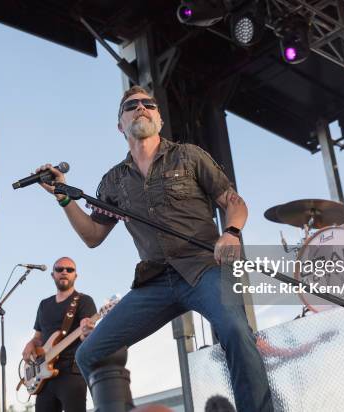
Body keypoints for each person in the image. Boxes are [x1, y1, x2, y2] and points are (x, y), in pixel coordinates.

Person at [35, 85, 272, 411]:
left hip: (203, 269)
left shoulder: (189, 156)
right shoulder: (113, 182)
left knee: (234, 328)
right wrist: (63, 197)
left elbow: (234, 203)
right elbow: (93, 235)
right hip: (156, 280)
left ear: (159, 118)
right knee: (90, 352)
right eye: (131, 105)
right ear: (121, 125)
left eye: (149, 104)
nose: (141, 108)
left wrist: (231, 231)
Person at [22, 257, 97, 412]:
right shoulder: (44, 304)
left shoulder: (84, 301)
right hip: (44, 375)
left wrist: (86, 332)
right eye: (59, 269)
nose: (64, 272)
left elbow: (86, 334)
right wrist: (30, 344)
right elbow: (38, 338)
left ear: (75, 275)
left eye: (69, 270)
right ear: (52, 275)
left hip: (71, 371)